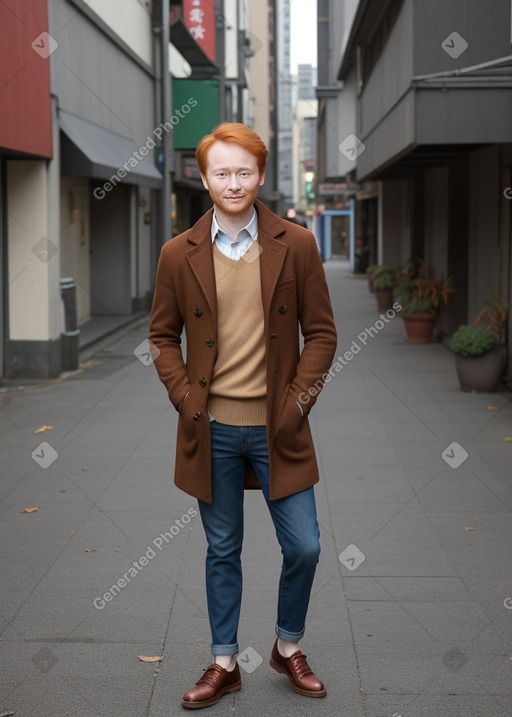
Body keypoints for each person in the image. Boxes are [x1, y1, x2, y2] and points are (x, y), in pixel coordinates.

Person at [149, 123, 337, 709]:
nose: (234, 182)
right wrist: (186, 399)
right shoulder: (178, 253)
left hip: (279, 426)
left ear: (261, 175)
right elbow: (161, 337)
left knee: (304, 546)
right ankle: (224, 661)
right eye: (222, 172)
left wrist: (296, 403)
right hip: (213, 430)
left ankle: (286, 646)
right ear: (204, 178)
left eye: (244, 171)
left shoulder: (296, 244)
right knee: (222, 549)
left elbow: (323, 335)